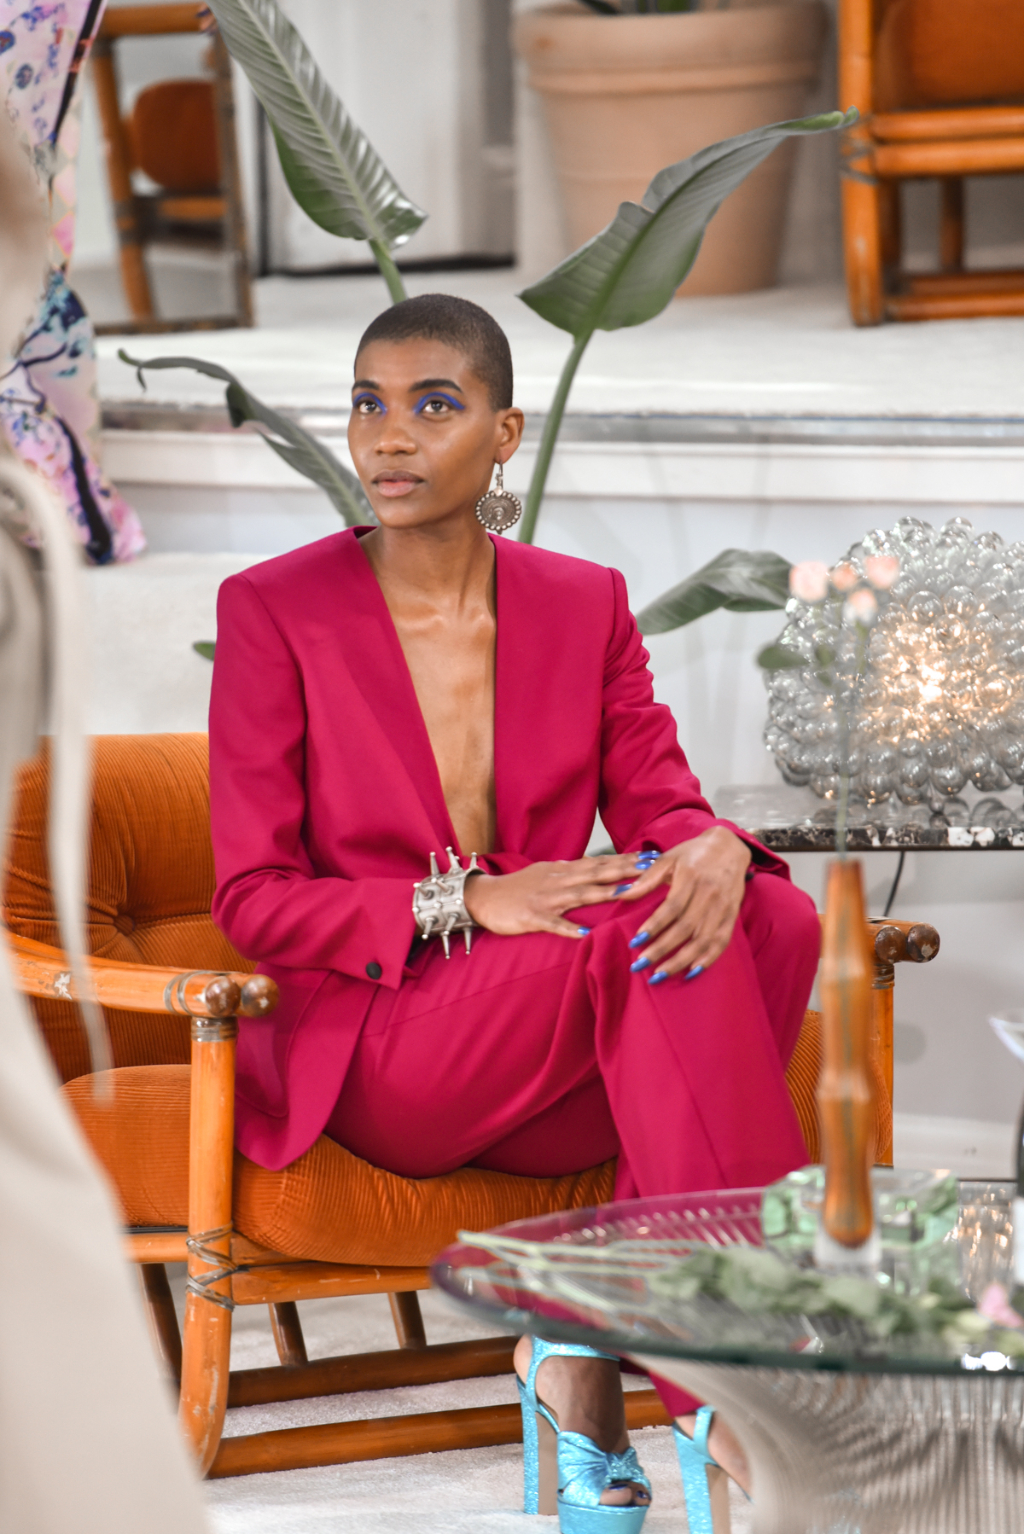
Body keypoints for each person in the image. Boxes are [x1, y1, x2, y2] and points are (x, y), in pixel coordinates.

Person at [208, 293, 820, 1532]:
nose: (390, 436)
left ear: (503, 434)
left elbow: (661, 799)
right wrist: (467, 898)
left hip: (553, 1041)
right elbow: (251, 901)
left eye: (433, 405)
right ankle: (740, 1388)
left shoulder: (580, 601)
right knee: (639, 938)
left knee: (774, 919)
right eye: (369, 404)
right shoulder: (276, 608)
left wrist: (709, 846)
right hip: (386, 1043)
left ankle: (578, 1352)